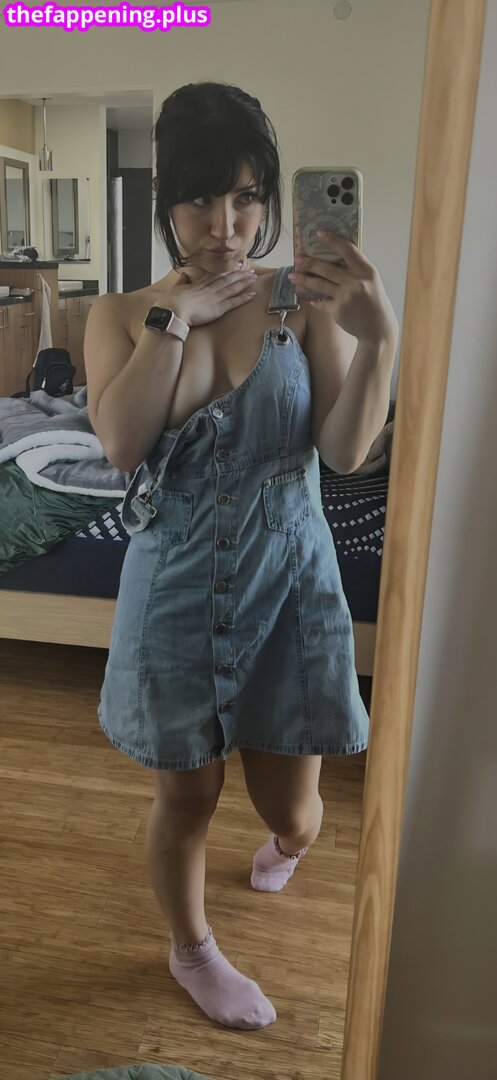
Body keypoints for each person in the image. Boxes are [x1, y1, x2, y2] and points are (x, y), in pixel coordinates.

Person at [85, 81, 399, 1032]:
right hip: (176, 584)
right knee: (187, 796)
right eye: (198, 198)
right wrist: (174, 316)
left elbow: (343, 452)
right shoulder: (120, 312)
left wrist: (378, 339)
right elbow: (121, 444)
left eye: (247, 198)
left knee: (293, 812)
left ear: (268, 197)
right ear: (163, 200)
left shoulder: (300, 302)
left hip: (289, 581)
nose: (224, 226)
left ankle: (286, 847)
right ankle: (190, 951)